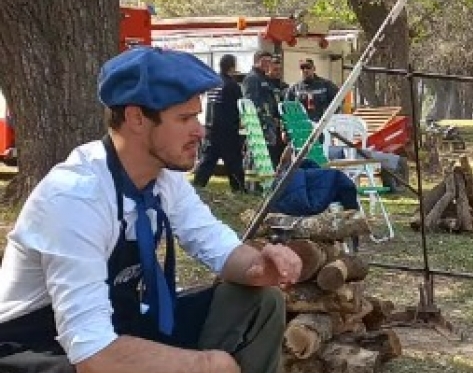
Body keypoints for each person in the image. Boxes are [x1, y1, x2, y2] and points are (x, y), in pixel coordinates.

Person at [0, 46, 302, 373]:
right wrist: (204, 365)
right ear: (137, 118)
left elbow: (219, 247)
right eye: (185, 118)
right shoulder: (75, 198)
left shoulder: (163, 180)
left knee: (260, 302)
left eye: (197, 117)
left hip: (116, 326)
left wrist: (262, 267)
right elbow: (93, 354)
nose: (200, 130)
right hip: (40, 347)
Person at [193, 54, 246, 192]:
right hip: (227, 129)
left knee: (208, 159)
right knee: (233, 160)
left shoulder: (213, 84)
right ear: (232, 67)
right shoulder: (232, 85)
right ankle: (239, 187)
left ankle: (198, 184)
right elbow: (238, 106)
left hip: (211, 127)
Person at [242, 50, 282, 167]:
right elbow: (251, 103)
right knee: (256, 154)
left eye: (270, 62)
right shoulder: (252, 79)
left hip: (269, 125)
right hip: (258, 125)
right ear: (256, 61)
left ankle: (265, 182)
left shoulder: (265, 79)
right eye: (264, 61)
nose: (267, 64)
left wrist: (274, 117)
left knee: (267, 155)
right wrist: (261, 119)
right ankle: (252, 183)